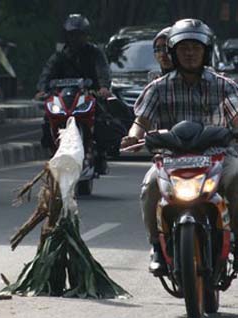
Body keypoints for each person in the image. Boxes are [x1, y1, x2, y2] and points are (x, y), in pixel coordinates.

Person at [120, 18, 238, 274]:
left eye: (196, 47)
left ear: (206, 51)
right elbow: (141, 121)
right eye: (183, 48)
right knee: (149, 187)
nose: (190, 53)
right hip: (171, 158)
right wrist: (133, 136)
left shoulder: (223, 85)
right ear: (172, 52)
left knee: (237, 176)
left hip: (217, 157)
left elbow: (235, 114)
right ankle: (155, 245)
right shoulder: (158, 88)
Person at [35, 13, 112, 174]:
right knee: (47, 119)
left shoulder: (95, 53)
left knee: (103, 119)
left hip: (89, 95)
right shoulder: (60, 56)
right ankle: (51, 148)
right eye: (72, 35)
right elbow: (47, 73)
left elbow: (102, 71)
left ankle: (101, 154)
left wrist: (103, 87)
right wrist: (42, 89)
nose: (75, 39)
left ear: (86, 35)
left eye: (79, 35)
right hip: (64, 99)